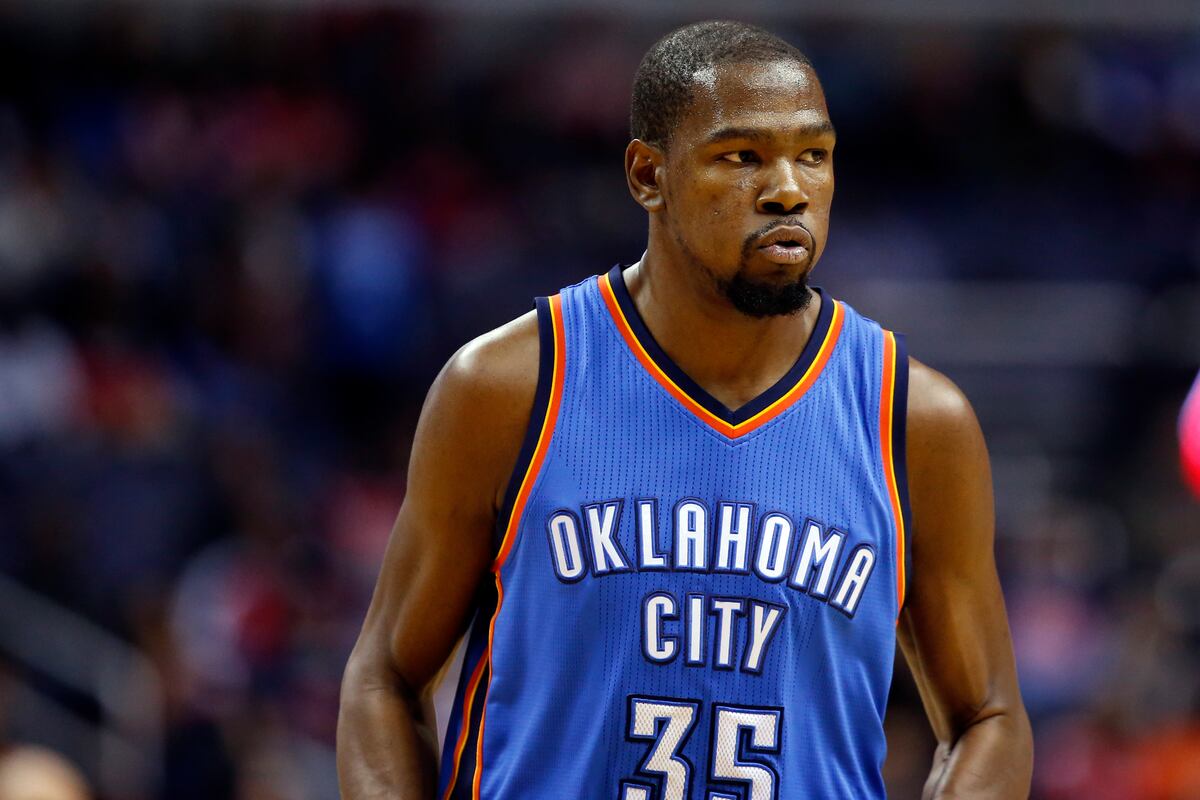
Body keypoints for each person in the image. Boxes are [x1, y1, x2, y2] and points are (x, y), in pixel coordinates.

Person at [337, 20, 1033, 800]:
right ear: (648, 174)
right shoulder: (509, 387)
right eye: (742, 157)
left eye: (813, 155)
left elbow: (989, 717)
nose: (788, 189)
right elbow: (385, 675)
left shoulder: (914, 421)